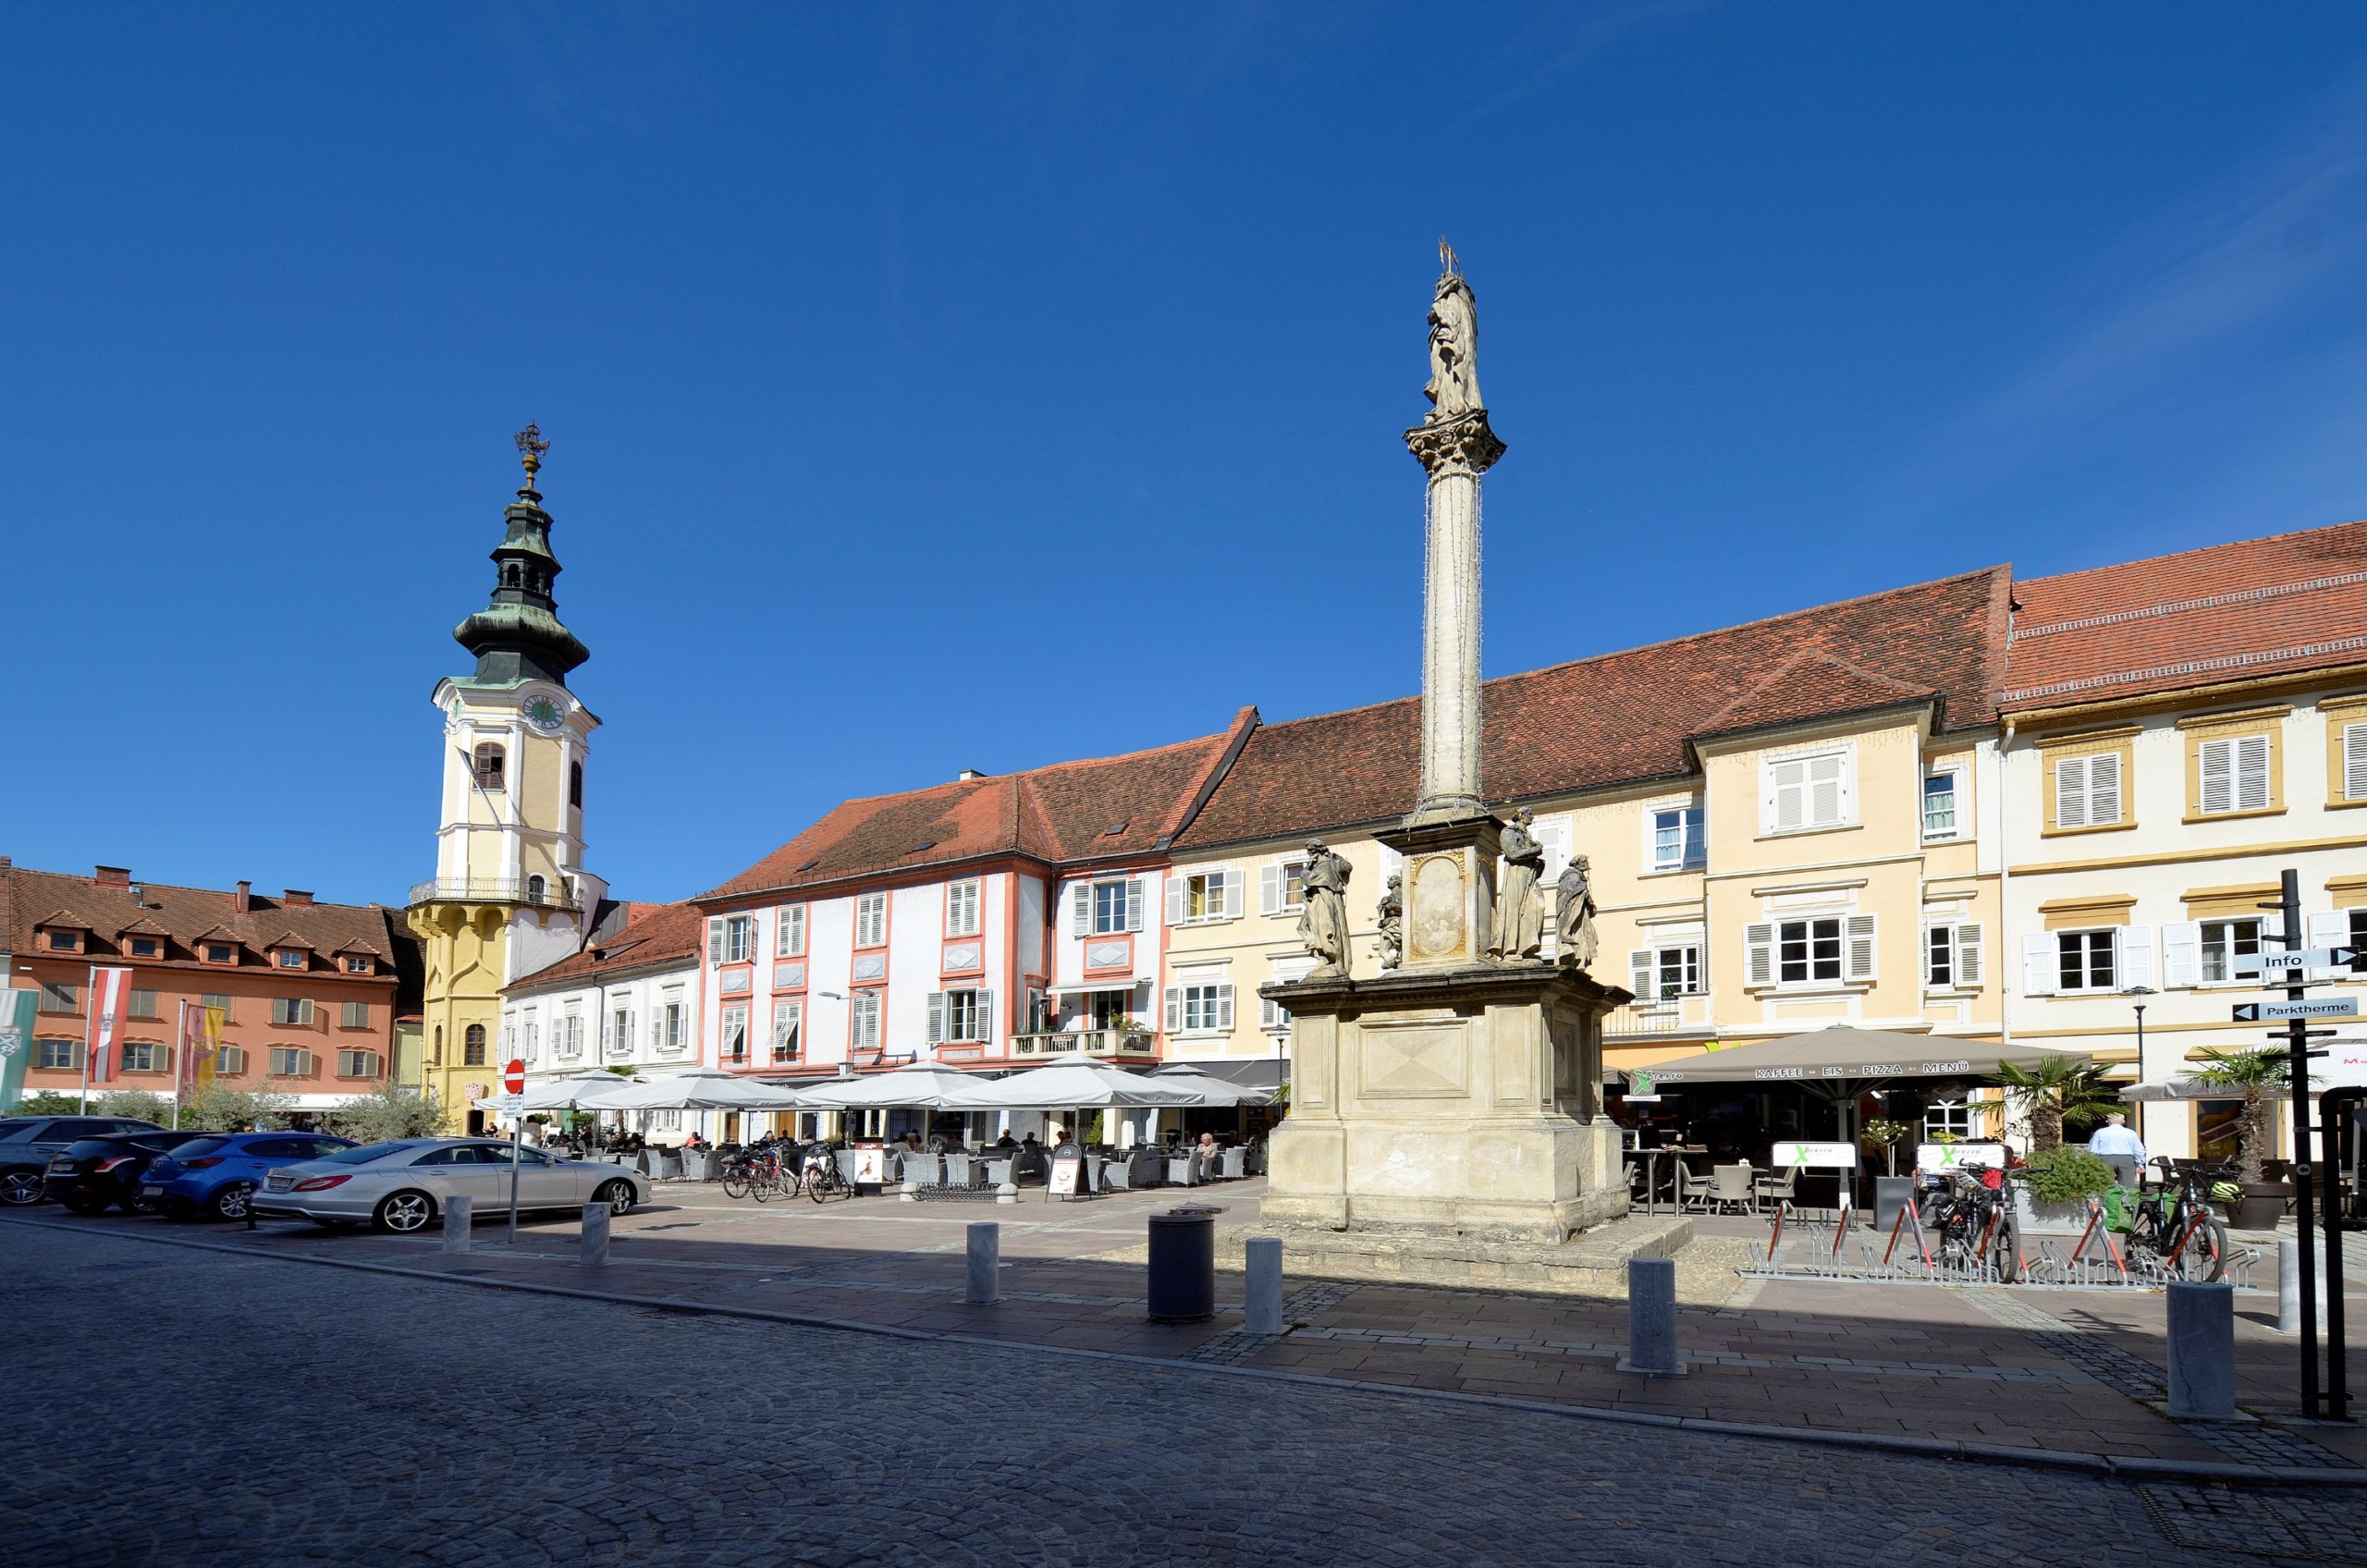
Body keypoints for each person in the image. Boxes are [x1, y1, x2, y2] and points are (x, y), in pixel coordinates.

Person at [2087, 1112, 2148, 1188]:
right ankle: (2127, 1199)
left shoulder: (2100, 1132)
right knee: (2128, 1186)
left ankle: (2105, 1199)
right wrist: (2139, 1164)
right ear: (2123, 1121)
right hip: (2126, 1159)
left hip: (2105, 1158)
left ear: (2108, 1121)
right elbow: (2138, 1150)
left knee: (2104, 1185)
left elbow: (2093, 1150)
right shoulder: (2130, 1133)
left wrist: (2092, 1162)